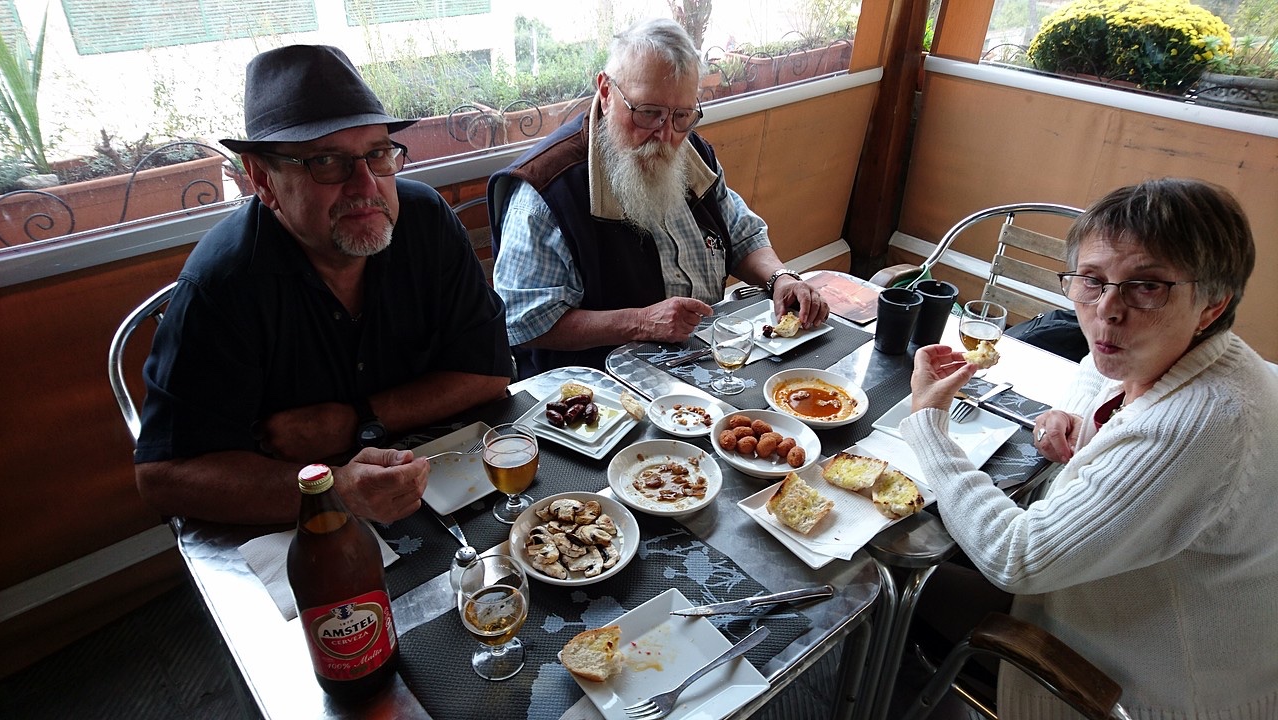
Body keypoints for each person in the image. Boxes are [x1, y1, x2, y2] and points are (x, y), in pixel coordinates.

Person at [902, 178, 1278, 717]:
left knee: (899, 586)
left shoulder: (1200, 424)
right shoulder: (1193, 351)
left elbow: (1016, 557)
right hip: (1117, 594)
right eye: (1092, 281)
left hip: (1139, 678)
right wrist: (1072, 416)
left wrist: (928, 425)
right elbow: (1093, 365)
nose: (1107, 311)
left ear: (1211, 305)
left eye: (1146, 286)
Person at [134, 45, 513, 526]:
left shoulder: (426, 221)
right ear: (262, 179)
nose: (366, 186)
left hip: (444, 483)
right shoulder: (223, 283)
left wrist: (355, 420)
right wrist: (331, 491)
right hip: (295, 525)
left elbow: (489, 373)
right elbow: (164, 476)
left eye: (377, 154)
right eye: (327, 161)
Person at [487, 17, 829, 378]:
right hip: (598, 391)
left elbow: (740, 233)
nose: (665, 135)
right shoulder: (547, 192)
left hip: (700, 365)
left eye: (682, 116)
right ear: (606, 92)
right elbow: (523, 320)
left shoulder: (692, 153)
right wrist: (640, 322)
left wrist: (780, 278)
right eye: (649, 113)